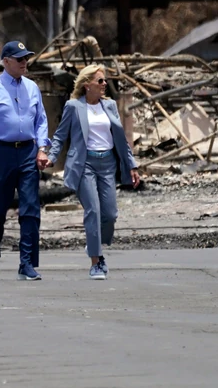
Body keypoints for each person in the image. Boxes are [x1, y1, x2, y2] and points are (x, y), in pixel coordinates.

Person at [45, 64, 140, 280]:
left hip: (107, 165)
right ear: (87, 85)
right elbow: (60, 136)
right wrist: (51, 157)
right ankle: (96, 261)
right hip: (84, 164)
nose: (105, 84)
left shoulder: (110, 106)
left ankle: (96, 244)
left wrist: (132, 165)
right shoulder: (73, 106)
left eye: (105, 80)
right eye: (100, 81)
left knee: (110, 214)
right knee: (93, 211)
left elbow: (121, 140)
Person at [0, 41, 51, 281]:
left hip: (28, 152)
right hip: (1, 153)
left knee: (30, 209)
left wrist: (42, 148)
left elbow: (41, 121)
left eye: (26, 58)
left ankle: (27, 262)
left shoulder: (32, 87)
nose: (24, 63)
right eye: (19, 59)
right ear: (6, 62)